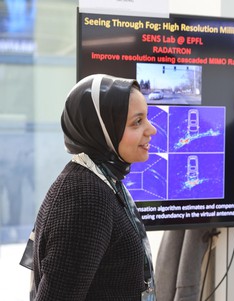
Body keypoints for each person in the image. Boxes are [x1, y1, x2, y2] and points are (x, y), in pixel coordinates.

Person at [31, 74, 157, 300]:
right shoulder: (86, 197)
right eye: (137, 122)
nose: (151, 130)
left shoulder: (100, 180)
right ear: (101, 129)